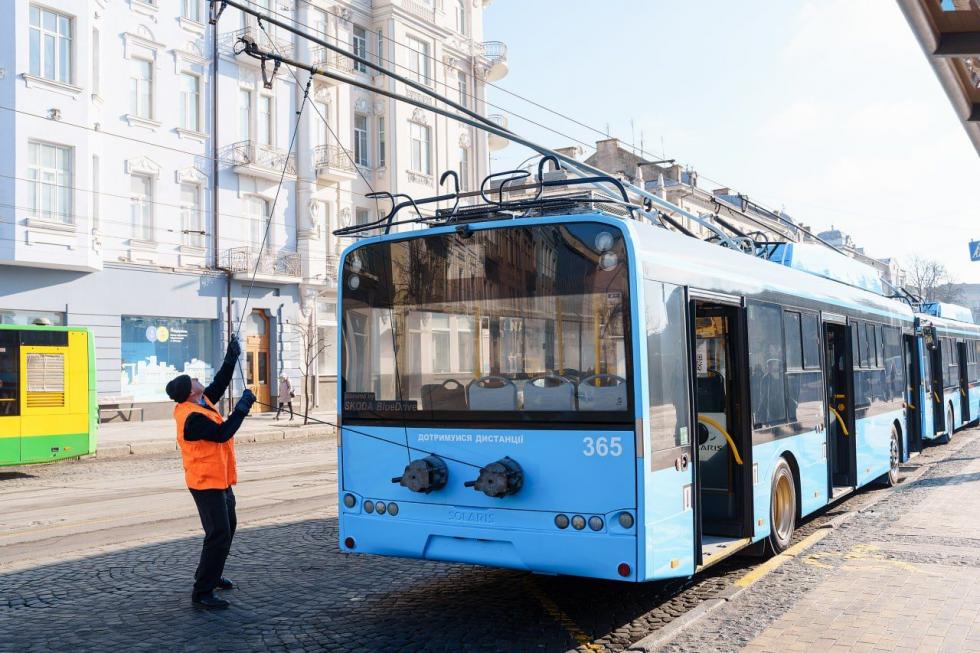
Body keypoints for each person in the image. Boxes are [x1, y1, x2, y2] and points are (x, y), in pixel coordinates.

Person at [166, 335, 256, 610]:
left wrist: (232, 356)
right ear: (190, 392)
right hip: (205, 483)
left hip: (220, 479)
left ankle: (212, 575)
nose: (198, 380)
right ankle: (202, 591)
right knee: (217, 534)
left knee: (228, 528)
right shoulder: (191, 418)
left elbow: (221, 381)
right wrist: (242, 408)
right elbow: (221, 433)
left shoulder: (201, 401)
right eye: (193, 380)